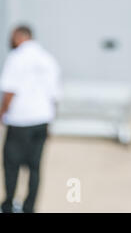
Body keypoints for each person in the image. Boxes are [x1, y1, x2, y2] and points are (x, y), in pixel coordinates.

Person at [0, 25, 61, 213]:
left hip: (20, 120)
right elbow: (55, 95)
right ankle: (30, 207)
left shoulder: (16, 58)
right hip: (42, 119)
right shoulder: (48, 59)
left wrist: (2, 113)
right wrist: (50, 122)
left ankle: (9, 205)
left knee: (11, 165)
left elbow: (10, 90)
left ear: (20, 37)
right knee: (35, 167)